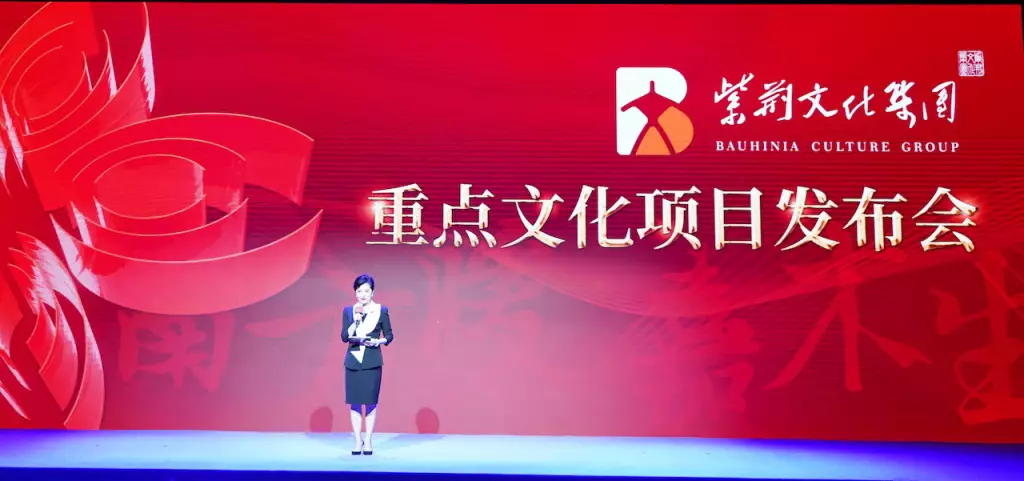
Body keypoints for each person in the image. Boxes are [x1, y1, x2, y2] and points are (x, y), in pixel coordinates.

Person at [340, 274, 394, 455]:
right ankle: (357, 441)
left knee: (370, 402)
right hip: (353, 361)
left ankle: (369, 440)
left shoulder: (381, 310)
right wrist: (355, 322)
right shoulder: (349, 311)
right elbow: (344, 337)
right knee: (355, 403)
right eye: (359, 291)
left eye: (366, 291)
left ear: (372, 292)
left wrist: (378, 341)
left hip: (372, 361)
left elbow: (389, 335)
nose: (362, 295)